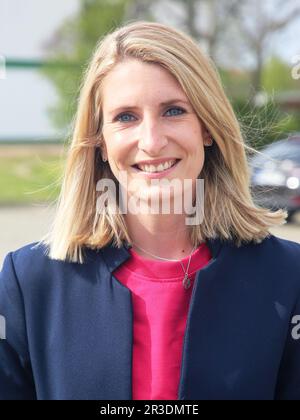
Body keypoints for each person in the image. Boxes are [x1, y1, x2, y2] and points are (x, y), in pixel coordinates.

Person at [0, 20, 300, 401]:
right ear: (101, 143)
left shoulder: (289, 278)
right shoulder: (28, 284)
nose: (152, 141)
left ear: (207, 127)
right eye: (126, 117)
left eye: (174, 111)